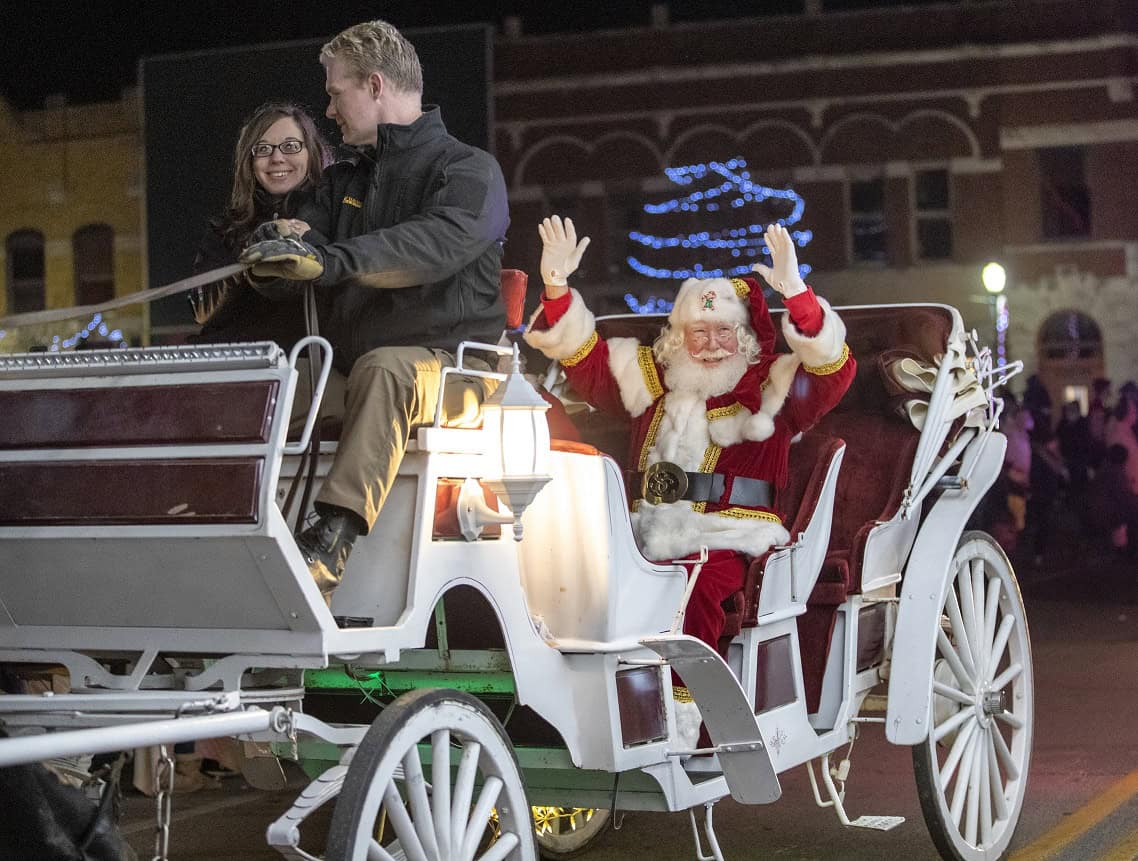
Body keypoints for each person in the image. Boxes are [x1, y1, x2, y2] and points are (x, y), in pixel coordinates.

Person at [523, 216, 854, 745]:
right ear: (679, 338)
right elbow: (584, 360)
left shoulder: (773, 386)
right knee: (571, 577)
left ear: (744, 337)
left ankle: (677, 723)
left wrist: (796, 295)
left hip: (730, 536)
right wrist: (558, 288)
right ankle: (576, 706)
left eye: (724, 331)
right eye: (698, 332)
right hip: (642, 532)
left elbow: (833, 369)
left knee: (686, 588)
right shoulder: (650, 383)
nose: (711, 344)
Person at [237, 20, 510, 596]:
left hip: (458, 373)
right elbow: (309, 242)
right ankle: (226, 524)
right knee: (272, 381)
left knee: (385, 368)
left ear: (376, 84)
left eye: (337, 93)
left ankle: (330, 543)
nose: (330, 110)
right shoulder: (343, 183)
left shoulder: (468, 170)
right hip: (357, 372)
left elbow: (431, 245)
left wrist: (327, 261)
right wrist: (280, 245)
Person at [191, 102, 331, 348]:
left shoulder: (334, 216)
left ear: (311, 152)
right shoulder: (225, 229)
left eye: (290, 146)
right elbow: (202, 311)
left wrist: (309, 240)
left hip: (305, 361)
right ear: (250, 160)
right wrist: (250, 250)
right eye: (263, 149)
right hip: (237, 363)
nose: (277, 158)